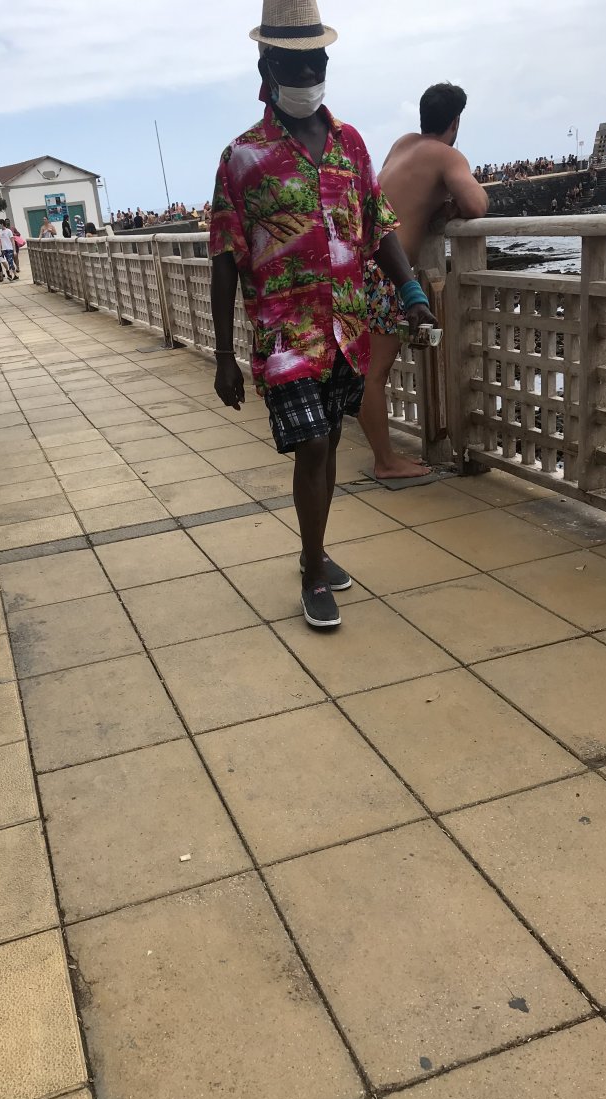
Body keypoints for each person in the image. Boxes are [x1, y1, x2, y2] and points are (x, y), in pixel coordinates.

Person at [210, 0, 433, 630]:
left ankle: (316, 548)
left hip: (348, 327)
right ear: (266, 66)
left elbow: (378, 224)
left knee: (330, 440)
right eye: (294, 63)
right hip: (285, 335)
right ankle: (312, 571)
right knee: (311, 445)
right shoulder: (241, 157)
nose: (309, 74)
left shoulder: (350, 143)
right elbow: (225, 256)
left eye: (318, 60)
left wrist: (411, 292)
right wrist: (224, 356)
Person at [361, 82, 488, 480]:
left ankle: (385, 456)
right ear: (455, 122)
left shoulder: (402, 144)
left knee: (364, 367)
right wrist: (451, 205)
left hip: (357, 264)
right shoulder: (447, 155)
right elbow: (476, 205)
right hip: (385, 272)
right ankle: (385, 462)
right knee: (374, 372)